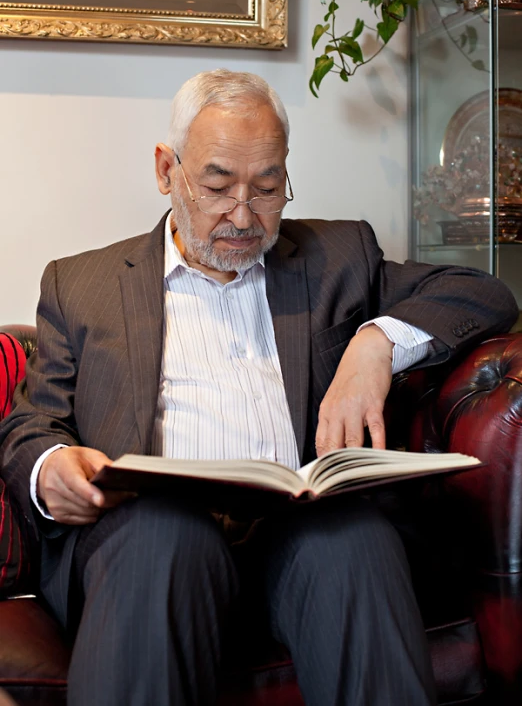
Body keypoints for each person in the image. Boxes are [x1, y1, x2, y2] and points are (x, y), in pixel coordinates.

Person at [0, 70, 518, 706]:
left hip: (299, 539)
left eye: (268, 187)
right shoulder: (81, 286)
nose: (243, 216)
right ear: (167, 171)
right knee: (162, 534)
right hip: (153, 544)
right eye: (217, 185)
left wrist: (375, 343)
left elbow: (483, 293)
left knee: (351, 537)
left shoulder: (339, 256)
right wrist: (49, 470)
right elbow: (32, 423)